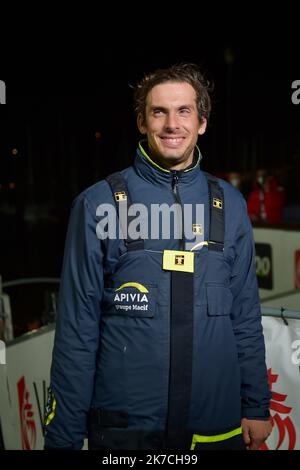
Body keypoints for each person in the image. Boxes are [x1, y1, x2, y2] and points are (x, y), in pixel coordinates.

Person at [44, 63, 272, 451]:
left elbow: (245, 315)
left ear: (201, 122)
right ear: (141, 121)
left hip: (215, 430)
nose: (172, 125)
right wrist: (63, 436)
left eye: (184, 111)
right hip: (127, 437)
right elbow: (77, 330)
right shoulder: (99, 204)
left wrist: (256, 404)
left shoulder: (230, 205)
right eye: (159, 112)